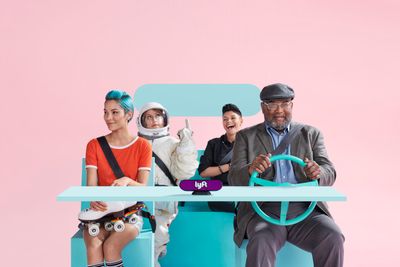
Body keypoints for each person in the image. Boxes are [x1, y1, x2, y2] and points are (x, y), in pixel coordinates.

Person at [228, 83, 344, 267]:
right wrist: (251, 169)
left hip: (306, 210)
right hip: (263, 210)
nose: (279, 110)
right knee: (261, 240)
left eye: (285, 104)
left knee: (333, 236)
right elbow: (233, 178)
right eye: (272, 104)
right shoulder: (245, 137)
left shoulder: (311, 134)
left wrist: (318, 171)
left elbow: (329, 171)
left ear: (292, 105)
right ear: (263, 107)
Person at [84, 90, 152, 267]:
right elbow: (91, 185)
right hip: (100, 211)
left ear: (128, 114)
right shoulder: (94, 145)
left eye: (115, 112)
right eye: (105, 112)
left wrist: (128, 181)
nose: (108, 117)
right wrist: (94, 199)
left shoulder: (143, 145)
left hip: (129, 213)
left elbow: (142, 187)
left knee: (112, 246)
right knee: (93, 243)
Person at [137, 102, 198, 267]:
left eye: (158, 115)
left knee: (158, 236)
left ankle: (156, 254)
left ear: (164, 118)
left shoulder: (172, 143)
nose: (154, 120)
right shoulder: (135, 143)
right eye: (149, 117)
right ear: (141, 121)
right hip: (139, 199)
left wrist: (186, 143)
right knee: (137, 237)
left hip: (164, 199)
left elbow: (184, 172)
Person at [198, 103, 243, 212]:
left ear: (241, 121)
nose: (229, 121)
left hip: (242, 192)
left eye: (233, 118)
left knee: (247, 205)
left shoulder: (249, 143)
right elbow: (203, 172)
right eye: (225, 119)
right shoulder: (214, 144)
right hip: (218, 193)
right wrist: (230, 166)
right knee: (243, 208)